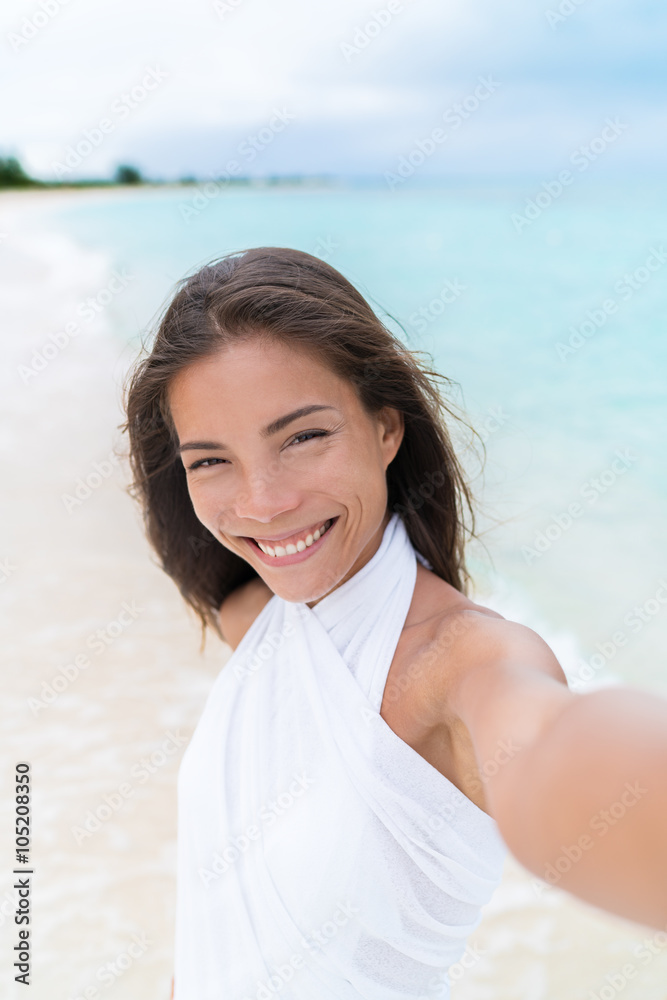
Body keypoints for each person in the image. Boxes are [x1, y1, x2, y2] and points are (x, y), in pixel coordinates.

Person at [122, 246, 667, 999]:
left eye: (303, 436)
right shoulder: (263, 620)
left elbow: (555, 750)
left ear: (386, 428)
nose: (262, 502)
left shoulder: (462, 665)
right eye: (210, 461)